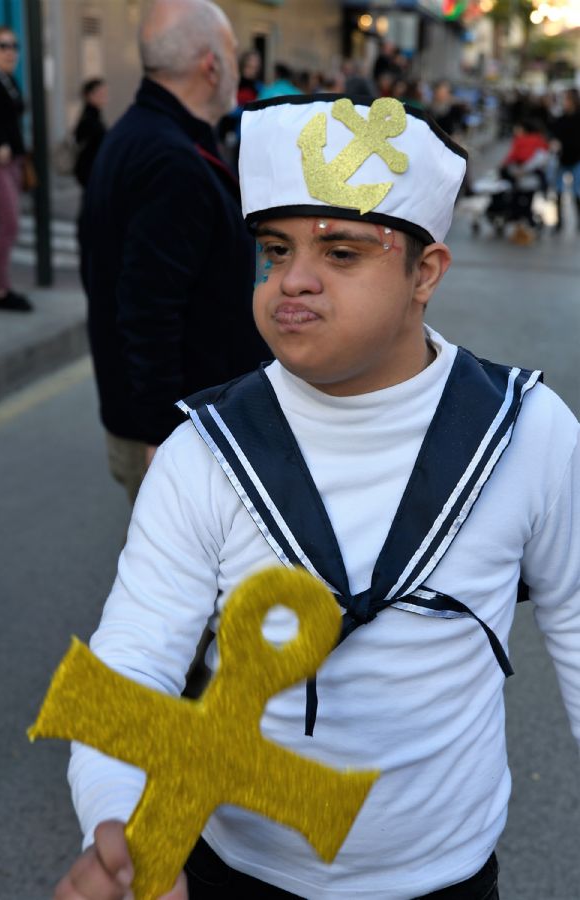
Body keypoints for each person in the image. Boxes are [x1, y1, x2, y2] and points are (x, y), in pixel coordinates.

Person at [59, 94, 579, 899]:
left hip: (446, 878)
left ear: (425, 274)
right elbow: (133, 663)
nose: (292, 280)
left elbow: (577, 624)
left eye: (341, 253)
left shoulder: (528, 433)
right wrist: (121, 828)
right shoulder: (204, 450)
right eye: (275, 249)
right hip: (235, 872)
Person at [79, 0, 268, 505]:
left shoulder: (139, 134)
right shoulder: (170, 159)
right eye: (232, 52)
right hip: (183, 430)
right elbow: (147, 312)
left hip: (172, 419)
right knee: (184, 582)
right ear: (212, 63)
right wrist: (164, 431)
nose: (237, 64)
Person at [0, 25, 32, 312]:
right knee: (8, 223)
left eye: (14, 46)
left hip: (11, 161)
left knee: (1, 224)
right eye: (2, 46)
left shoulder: (7, 80)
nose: (10, 52)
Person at [549, 87, 580, 232]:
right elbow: (553, 133)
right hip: (562, 159)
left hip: (577, 159)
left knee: (577, 192)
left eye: (566, 99)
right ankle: (559, 222)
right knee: (559, 192)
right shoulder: (560, 118)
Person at [73, 78, 108, 190]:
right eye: (100, 93)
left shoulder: (93, 115)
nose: (105, 97)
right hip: (90, 168)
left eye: (105, 93)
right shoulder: (89, 118)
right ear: (89, 95)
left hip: (91, 168)